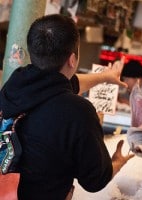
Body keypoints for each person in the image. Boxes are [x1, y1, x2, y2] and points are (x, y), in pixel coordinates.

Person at [0, 14, 133, 200]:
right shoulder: (78, 111)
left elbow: (63, 84)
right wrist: (117, 162)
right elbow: (95, 181)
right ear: (72, 59)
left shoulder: (14, 87)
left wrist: (105, 76)